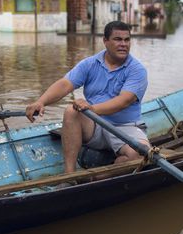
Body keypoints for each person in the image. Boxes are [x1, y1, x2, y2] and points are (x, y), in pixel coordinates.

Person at [25, 21, 149, 173]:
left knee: (141, 156)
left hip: (125, 127)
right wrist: (41, 101)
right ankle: (69, 175)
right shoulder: (90, 64)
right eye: (117, 39)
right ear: (105, 41)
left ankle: (101, 176)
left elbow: (124, 101)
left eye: (127, 40)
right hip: (95, 125)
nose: (123, 44)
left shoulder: (137, 70)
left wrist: (92, 108)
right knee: (72, 111)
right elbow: (65, 84)